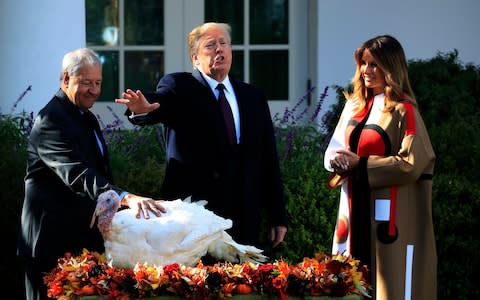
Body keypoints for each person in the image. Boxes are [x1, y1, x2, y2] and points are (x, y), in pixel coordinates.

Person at [115, 22, 288, 249]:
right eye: (211, 45)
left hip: (244, 216)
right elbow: (159, 102)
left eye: (223, 43)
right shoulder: (179, 86)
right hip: (194, 216)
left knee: (243, 283)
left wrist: (277, 215)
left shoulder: (252, 97)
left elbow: (268, 159)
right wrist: (141, 109)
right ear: (195, 58)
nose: (219, 49)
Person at [17, 48, 166, 300]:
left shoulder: (86, 116)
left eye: (98, 83)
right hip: (48, 245)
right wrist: (126, 197)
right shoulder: (50, 120)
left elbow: (99, 171)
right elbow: (77, 173)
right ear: (66, 79)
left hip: (79, 241)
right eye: (86, 83)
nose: (94, 91)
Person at [324, 35, 436, 300]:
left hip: (388, 217)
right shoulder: (353, 106)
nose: (366, 70)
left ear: (391, 68)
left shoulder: (404, 111)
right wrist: (336, 161)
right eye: (363, 63)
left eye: (374, 64)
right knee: (350, 282)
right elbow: (332, 150)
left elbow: (411, 164)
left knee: (389, 286)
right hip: (353, 208)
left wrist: (360, 164)